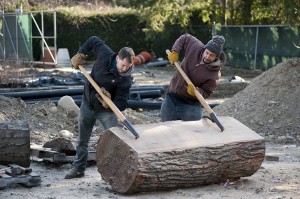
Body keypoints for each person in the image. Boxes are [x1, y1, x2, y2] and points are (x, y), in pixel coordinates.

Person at [65, 36, 135, 179]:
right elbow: (93, 40)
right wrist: (81, 53)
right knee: (82, 139)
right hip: (87, 104)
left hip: (106, 112)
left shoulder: (125, 79)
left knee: (116, 140)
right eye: (123, 65)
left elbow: (122, 104)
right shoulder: (104, 54)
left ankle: (116, 172)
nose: (125, 69)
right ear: (117, 59)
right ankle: (78, 169)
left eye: (128, 67)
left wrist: (109, 102)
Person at [161, 33, 226, 122]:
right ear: (204, 49)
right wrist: (175, 51)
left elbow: (206, 92)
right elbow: (184, 37)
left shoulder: (215, 75)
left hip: (191, 105)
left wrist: (196, 92)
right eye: (207, 53)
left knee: (192, 131)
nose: (207, 57)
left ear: (217, 57)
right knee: (166, 128)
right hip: (172, 96)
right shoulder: (195, 46)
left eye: (212, 55)